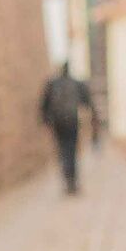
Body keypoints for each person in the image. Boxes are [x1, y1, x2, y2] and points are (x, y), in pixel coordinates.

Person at [38, 61, 92, 195]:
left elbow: (44, 104)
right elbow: (87, 101)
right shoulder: (76, 83)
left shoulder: (52, 84)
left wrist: (45, 121)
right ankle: (72, 181)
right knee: (71, 151)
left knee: (63, 151)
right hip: (72, 122)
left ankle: (68, 179)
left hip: (58, 123)